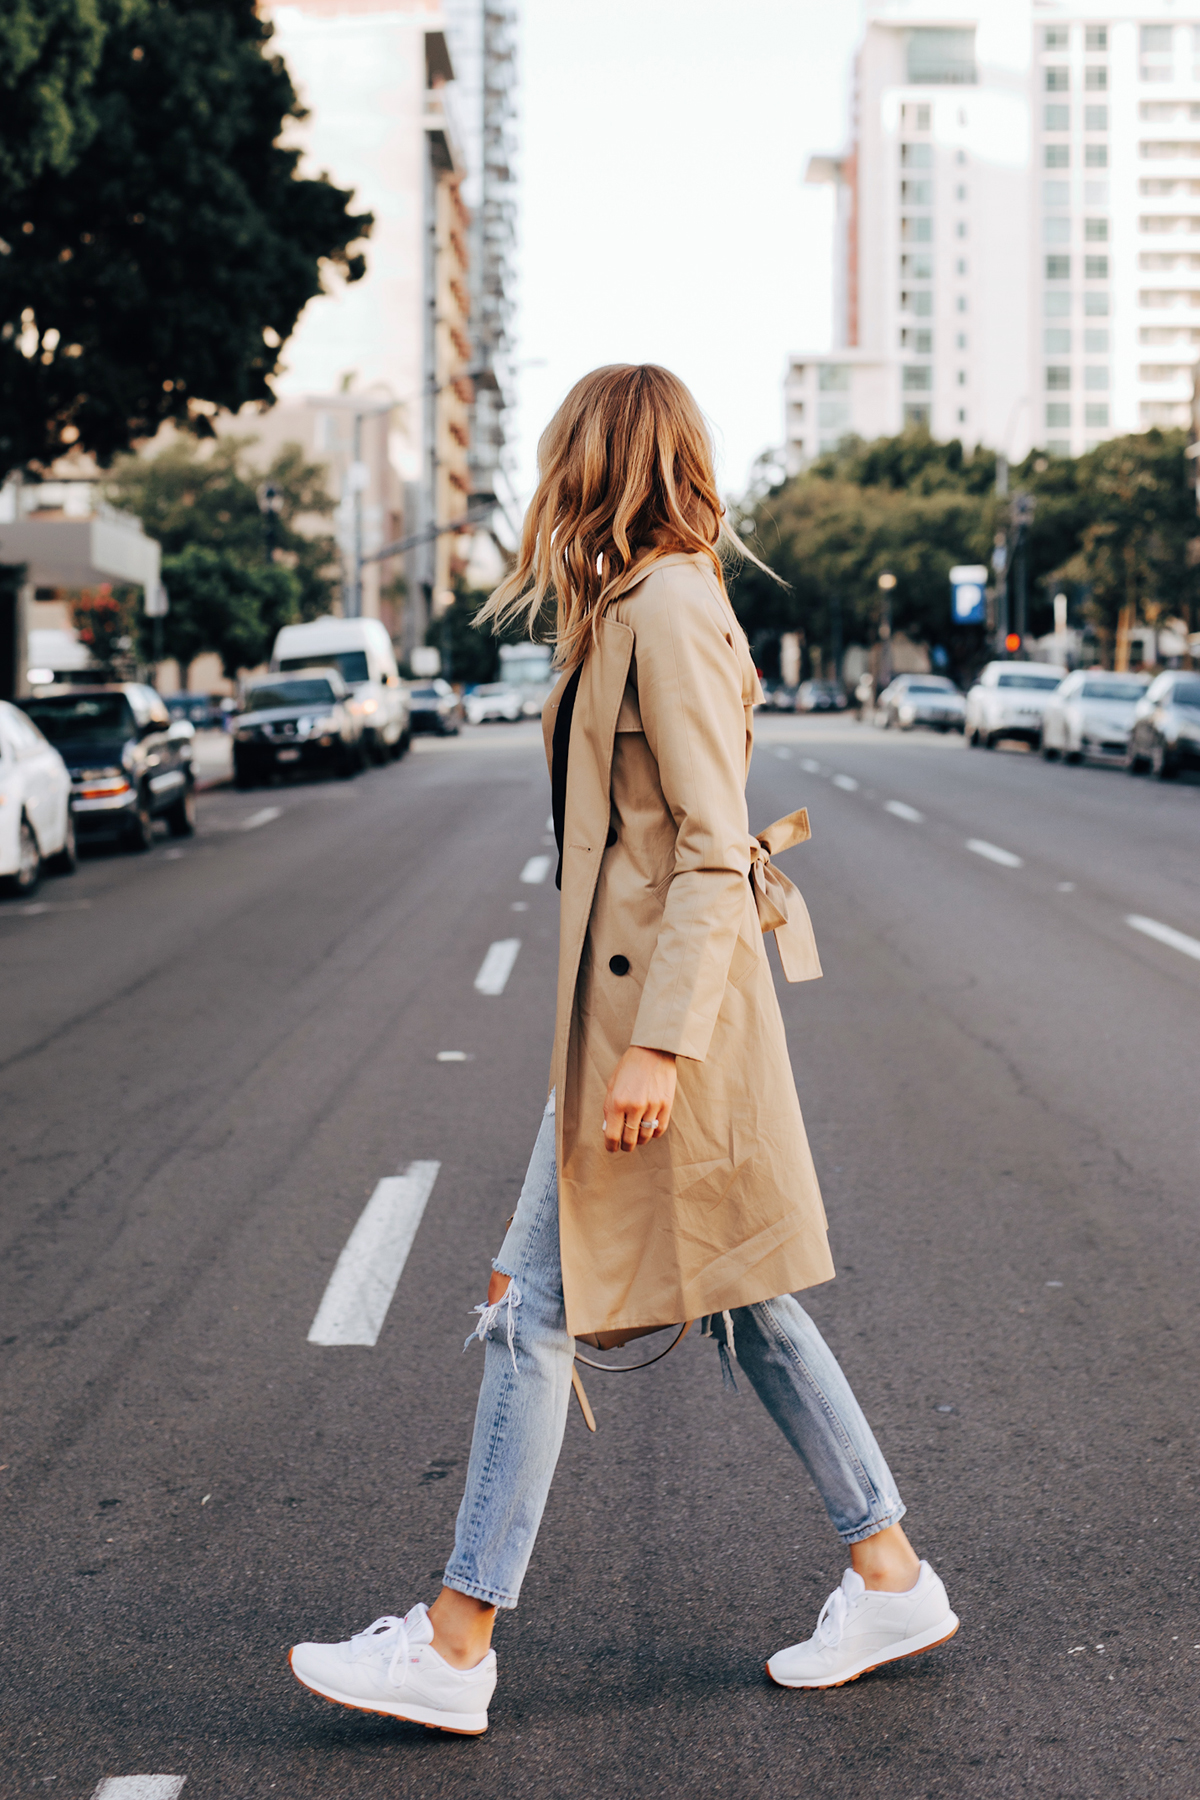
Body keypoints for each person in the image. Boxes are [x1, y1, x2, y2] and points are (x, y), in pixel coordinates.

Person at [289, 365, 959, 1735]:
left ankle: (456, 1639)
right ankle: (886, 1569)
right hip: (646, 1021)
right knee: (739, 1302)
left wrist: (653, 1051)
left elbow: (714, 850)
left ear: (603, 464)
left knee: (541, 1308)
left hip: (666, 1030)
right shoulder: (641, 604)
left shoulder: (666, 605)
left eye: (562, 460)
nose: (548, 486)